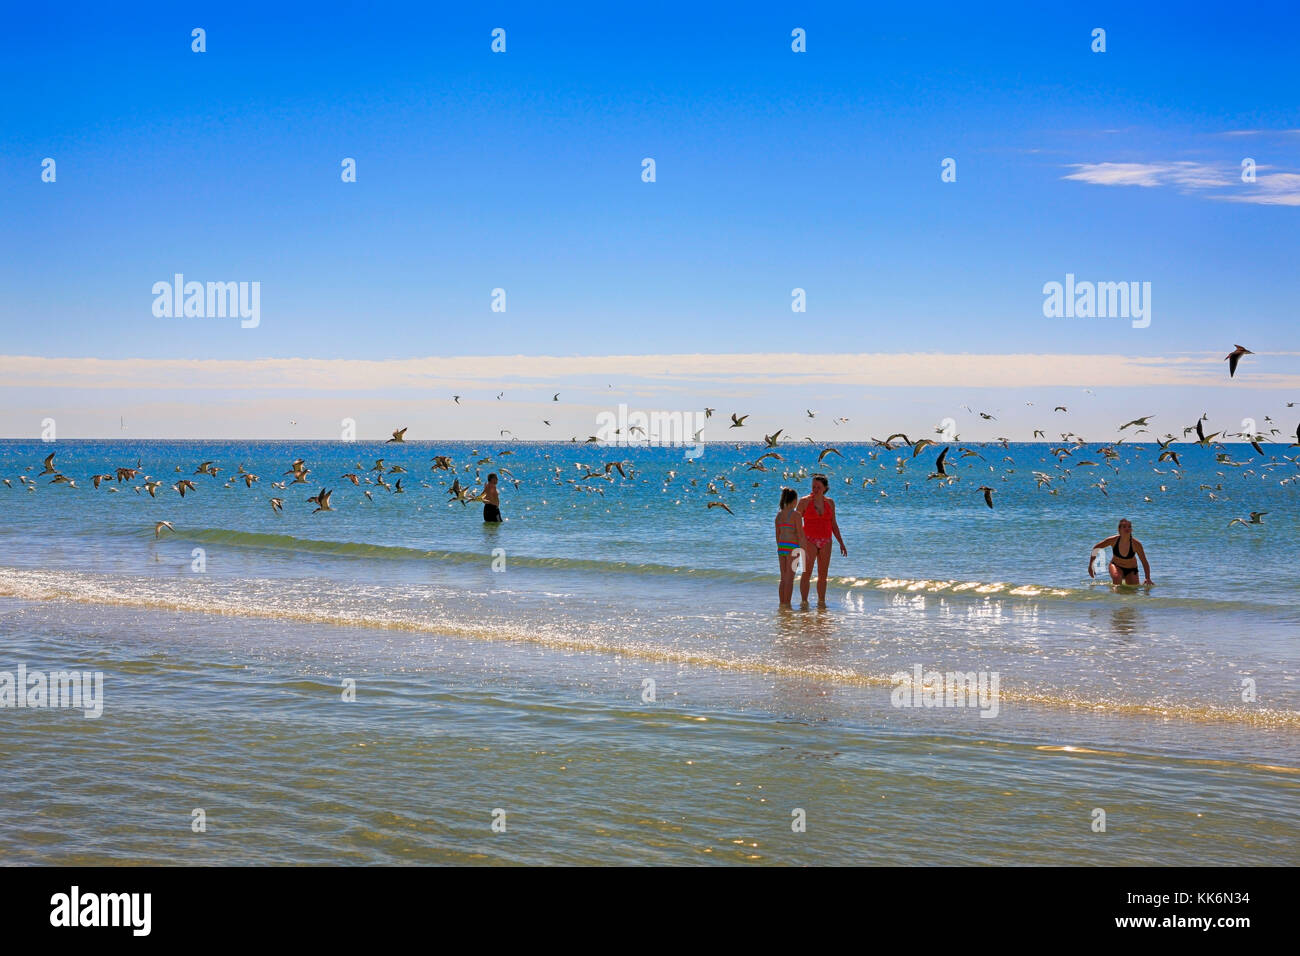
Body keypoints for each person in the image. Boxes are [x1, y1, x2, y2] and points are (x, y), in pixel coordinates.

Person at [797, 474, 847, 605]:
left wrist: (841, 543)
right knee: (806, 573)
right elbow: (795, 523)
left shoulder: (830, 503)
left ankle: (821, 603)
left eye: (818, 487)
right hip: (809, 540)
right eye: (813, 486)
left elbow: (834, 524)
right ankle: (804, 602)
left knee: (823, 575)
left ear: (825, 488)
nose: (815, 489)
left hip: (826, 541)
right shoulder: (804, 501)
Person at [1088, 518, 1151, 585]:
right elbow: (1096, 548)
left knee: (1133, 589)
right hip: (1116, 566)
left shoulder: (1136, 544)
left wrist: (1148, 578)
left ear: (1132, 529)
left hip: (1131, 569)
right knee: (1117, 577)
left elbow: (1144, 562)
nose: (1127, 528)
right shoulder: (1113, 540)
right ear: (1119, 529)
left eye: (1129, 527)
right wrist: (1091, 566)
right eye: (1124, 527)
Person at [775, 487, 808, 607]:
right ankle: (787, 605)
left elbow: (777, 535)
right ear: (794, 500)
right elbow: (801, 535)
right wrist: (804, 552)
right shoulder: (796, 515)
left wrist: (780, 548)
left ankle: (782, 604)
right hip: (793, 549)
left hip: (782, 548)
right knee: (790, 579)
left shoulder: (779, 516)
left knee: (783, 578)